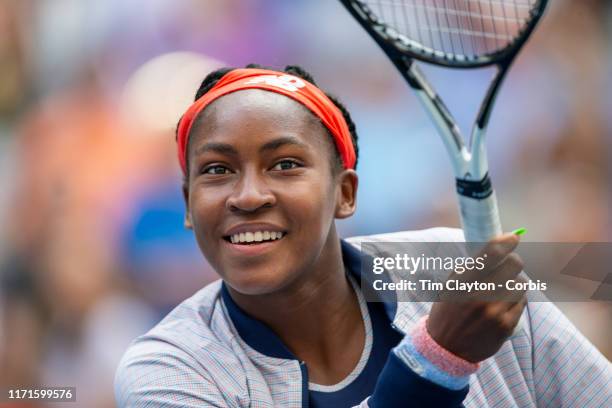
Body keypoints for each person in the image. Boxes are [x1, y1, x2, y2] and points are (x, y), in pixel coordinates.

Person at [114, 64, 611, 407]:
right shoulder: (168, 368)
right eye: (217, 170)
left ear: (345, 194)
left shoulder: (446, 263)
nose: (247, 195)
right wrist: (438, 360)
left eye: (285, 164)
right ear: (186, 204)